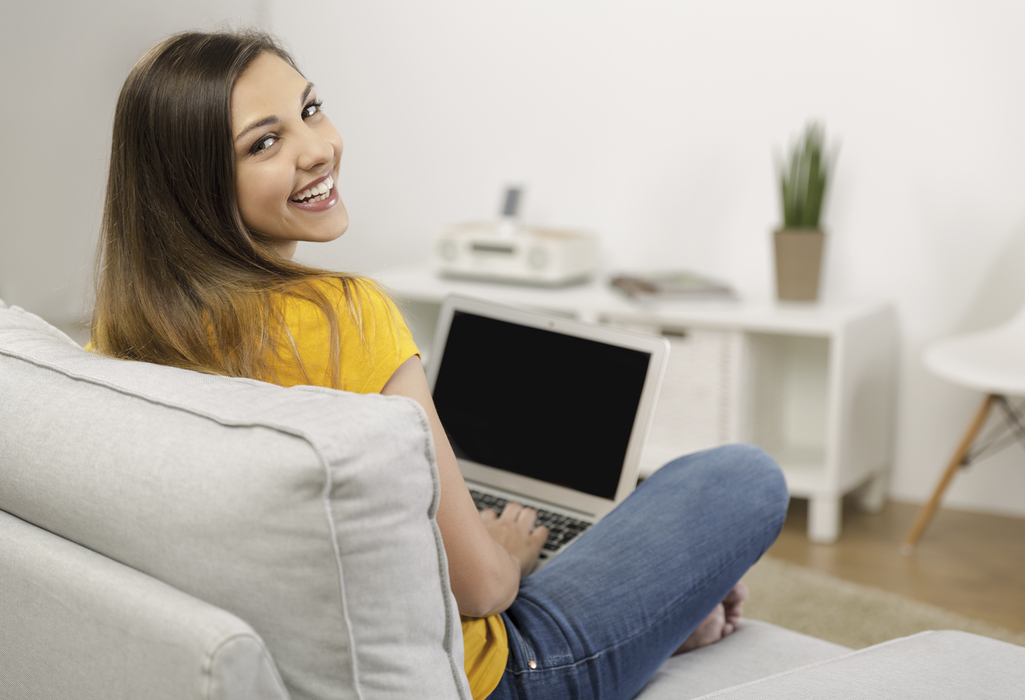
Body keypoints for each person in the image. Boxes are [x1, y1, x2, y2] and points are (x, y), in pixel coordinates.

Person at [90, 30, 789, 700]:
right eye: (265, 142)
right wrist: (506, 553)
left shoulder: (117, 337)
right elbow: (482, 591)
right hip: (493, 676)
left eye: (309, 110)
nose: (316, 149)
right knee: (738, 475)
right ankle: (664, 622)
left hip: (299, 659)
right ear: (191, 185)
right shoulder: (345, 314)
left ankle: (660, 614)